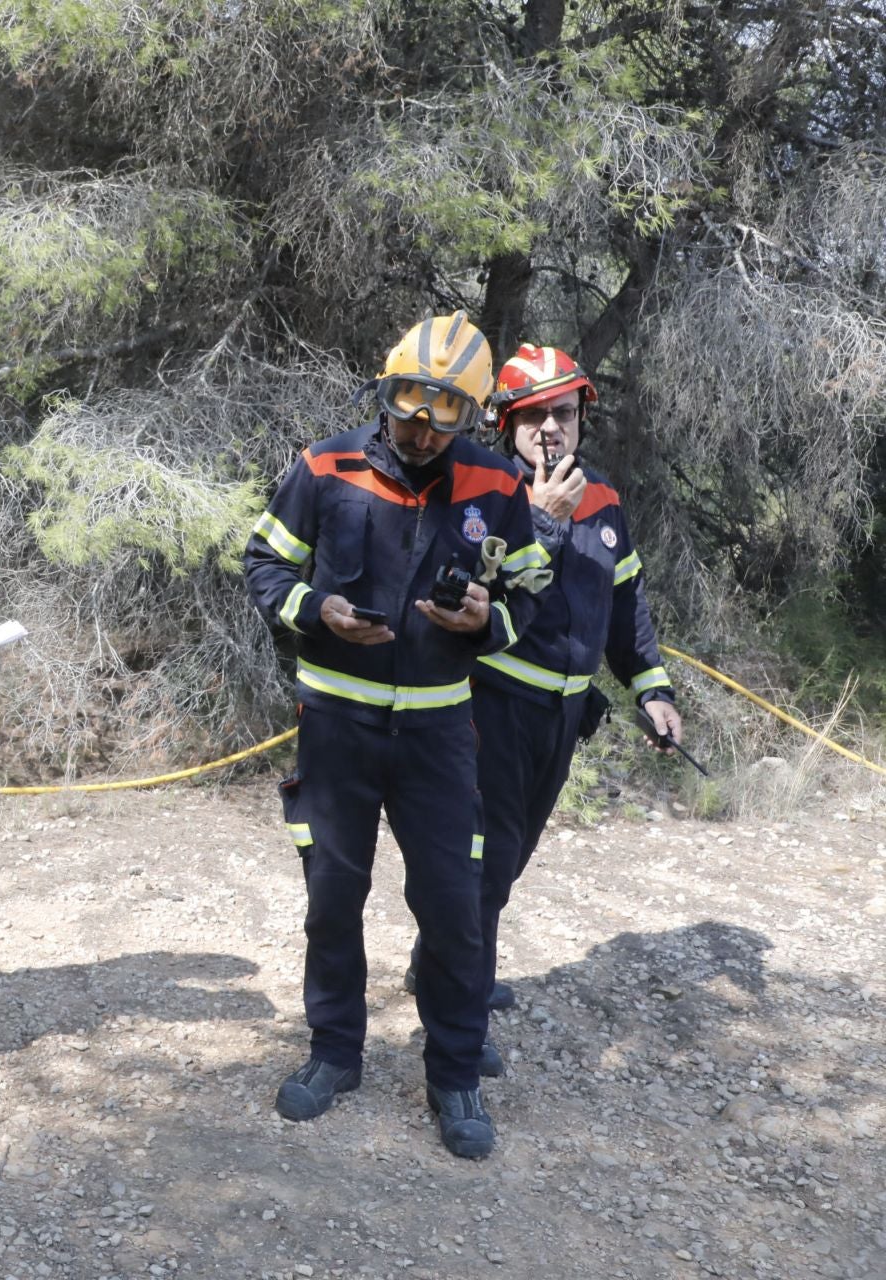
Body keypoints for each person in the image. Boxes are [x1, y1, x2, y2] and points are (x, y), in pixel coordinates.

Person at [244, 312, 551, 1160]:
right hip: (335, 725)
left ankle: (454, 1073)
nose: (418, 429)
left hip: (442, 734)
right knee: (332, 899)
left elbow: (532, 593)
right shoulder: (325, 465)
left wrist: (491, 619)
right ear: (385, 391)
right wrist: (316, 611)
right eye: (407, 407)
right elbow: (263, 562)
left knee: (454, 907)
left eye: (442, 414)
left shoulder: (496, 485)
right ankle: (333, 1052)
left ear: (475, 416)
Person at [459, 343, 681, 1061]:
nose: (549, 428)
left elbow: (626, 610)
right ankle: (461, 1001)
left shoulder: (607, 500)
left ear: (582, 414)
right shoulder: (487, 492)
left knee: (513, 856)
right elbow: (476, 592)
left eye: (561, 412)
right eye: (532, 416)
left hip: (562, 716)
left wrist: (652, 690)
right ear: (506, 425)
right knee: (485, 860)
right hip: (490, 705)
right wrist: (540, 521)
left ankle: (446, 958)